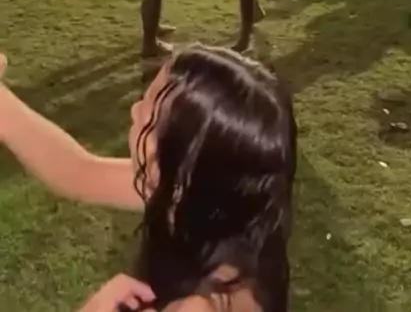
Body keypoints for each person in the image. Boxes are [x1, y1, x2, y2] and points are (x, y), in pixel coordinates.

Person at [0, 46, 296, 312]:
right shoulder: (216, 204)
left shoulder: (197, 306)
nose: (134, 111)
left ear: (185, 166)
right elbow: (79, 172)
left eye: (150, 117)